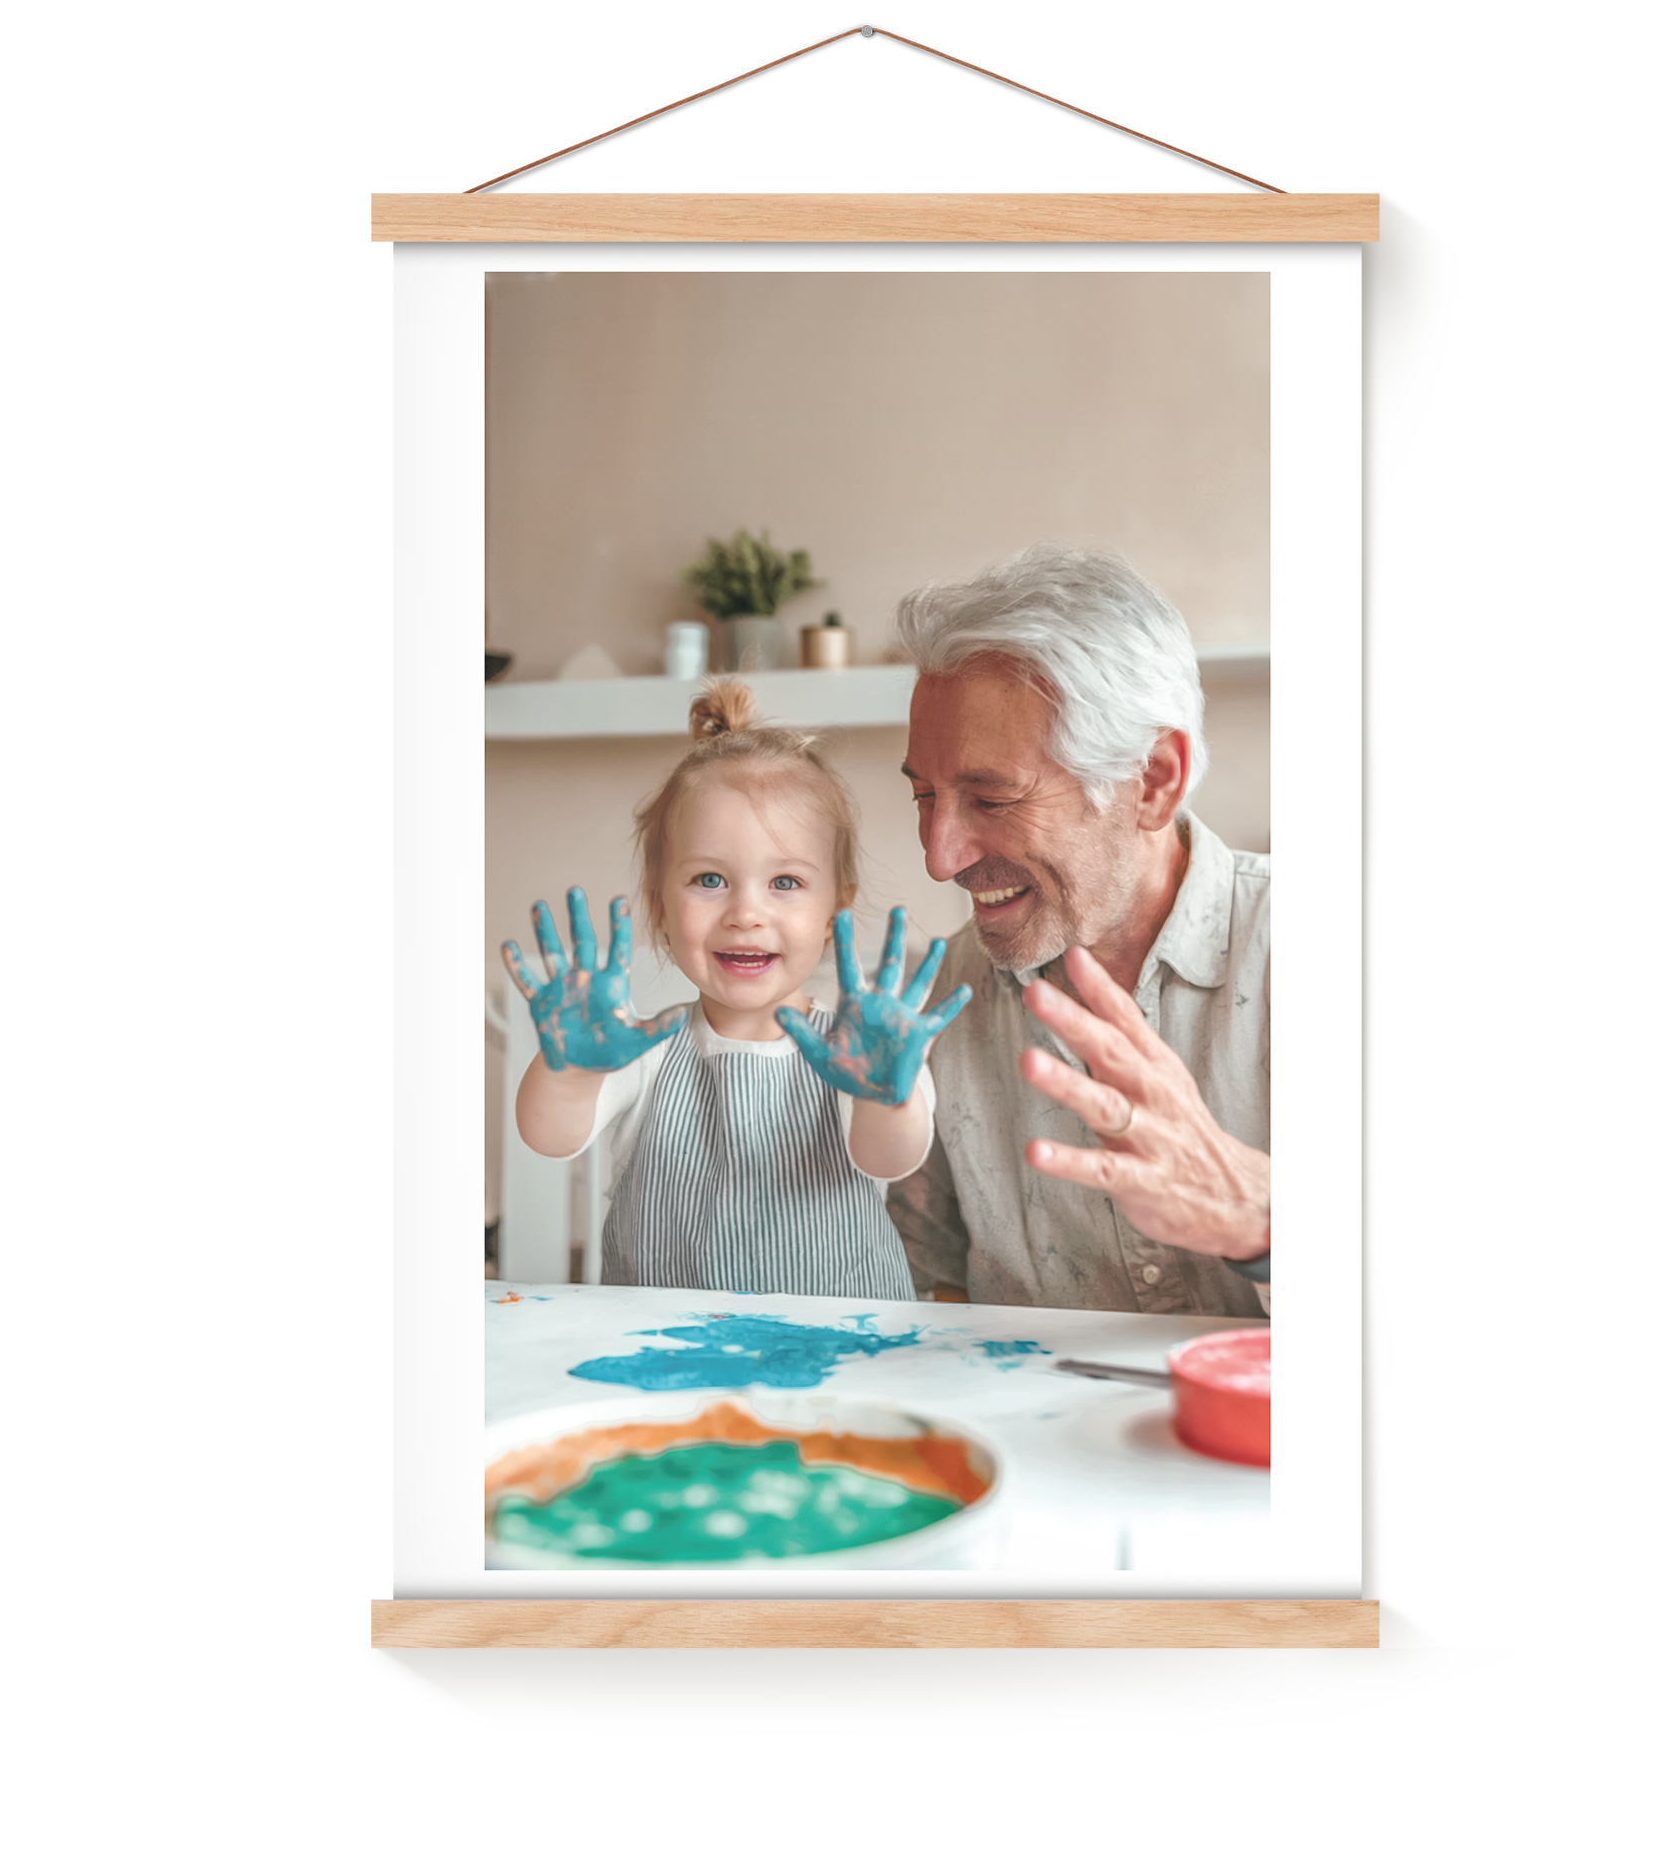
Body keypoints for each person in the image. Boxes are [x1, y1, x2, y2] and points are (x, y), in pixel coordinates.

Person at [885, 544, 1272, 1316]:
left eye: (990, 799)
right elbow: (930, 1292)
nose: (940, 856)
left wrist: (1262, 1219)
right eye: (924, 796)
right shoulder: (937, 999)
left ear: (1153, 781)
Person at [504, 679, 969, 1301]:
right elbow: (547, 1135)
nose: (746, 913)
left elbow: (891, 1160)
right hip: (663, 1349)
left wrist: (888, 1097)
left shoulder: (861, 1052)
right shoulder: (643, 1051)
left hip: (840, 1350)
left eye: (785, 883)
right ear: (659, 905)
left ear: (838, 906)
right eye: (709, 879)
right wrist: (570, 1075)